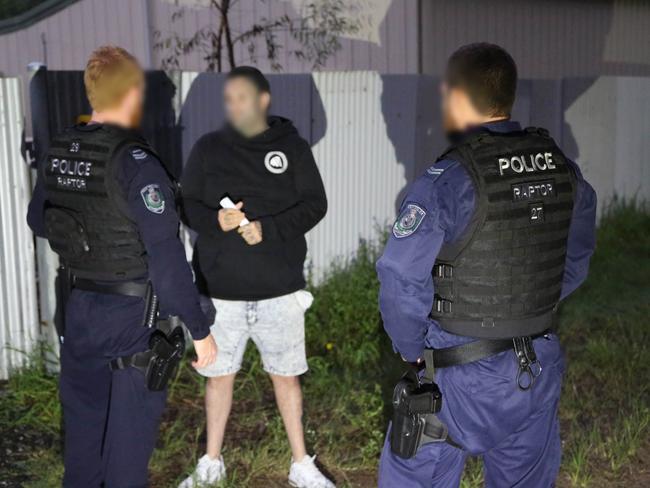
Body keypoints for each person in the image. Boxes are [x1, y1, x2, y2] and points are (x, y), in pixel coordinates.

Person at [377, 43, 597, 487]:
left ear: (456, 98)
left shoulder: (448, 181)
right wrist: (525, 311)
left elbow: (401, 276)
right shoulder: (561, 168)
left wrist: (410, 346)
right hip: (537, 367)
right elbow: (574, 262)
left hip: (459, 378)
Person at [26, 45, 218, 487]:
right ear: (131, 94)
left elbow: (40, 220)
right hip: (133, 318)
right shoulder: (137, 163)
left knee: (84, 444)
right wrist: (200, 331)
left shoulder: (62, 150)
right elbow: (167, 259)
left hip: (78, 311)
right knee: (127, 454)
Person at [178, 66, 333, 488]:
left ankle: (301, 463)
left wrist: (268, 227)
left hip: (279, 288)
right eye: (229, 99)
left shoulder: (291, 147)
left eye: (242, 97)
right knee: (218, 378)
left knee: (286, 376)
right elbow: (185, 203)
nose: (234, 106)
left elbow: (315, 204)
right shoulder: (209, 148)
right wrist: (216, 220)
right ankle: (211, 463)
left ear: (263, 100)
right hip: (220, 290)